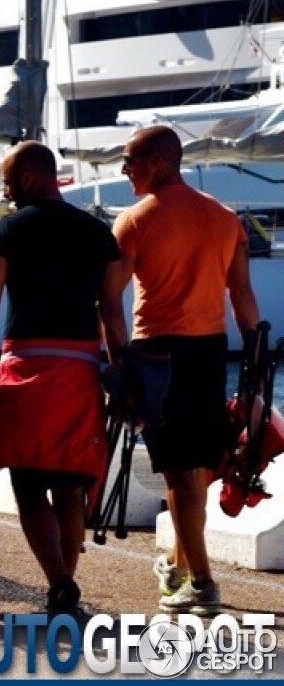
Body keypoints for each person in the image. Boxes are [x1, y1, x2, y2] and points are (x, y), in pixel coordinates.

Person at [0, 141, 128, 615]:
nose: (5, 190)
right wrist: (120, 370)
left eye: (9, 180)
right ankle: (64, 584)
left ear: (32, 177)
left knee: (29, 484)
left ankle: (58, 582)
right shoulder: (98, 234)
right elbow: (113, 314)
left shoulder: (10, 230)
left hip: (26, 369)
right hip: (78, 372)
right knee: (70, 486)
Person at [113, 125, 260, 615]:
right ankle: (177, 570)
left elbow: (106, 296)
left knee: (177, 469)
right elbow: (242, 295)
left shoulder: (134, 220)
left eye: (130, 159)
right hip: (210, 350)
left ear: (157, 160)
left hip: (157, 350)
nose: (124, 168)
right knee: (195, 467)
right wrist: (256, 355)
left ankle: (202, 583)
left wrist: (115, 357)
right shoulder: (224, 219)